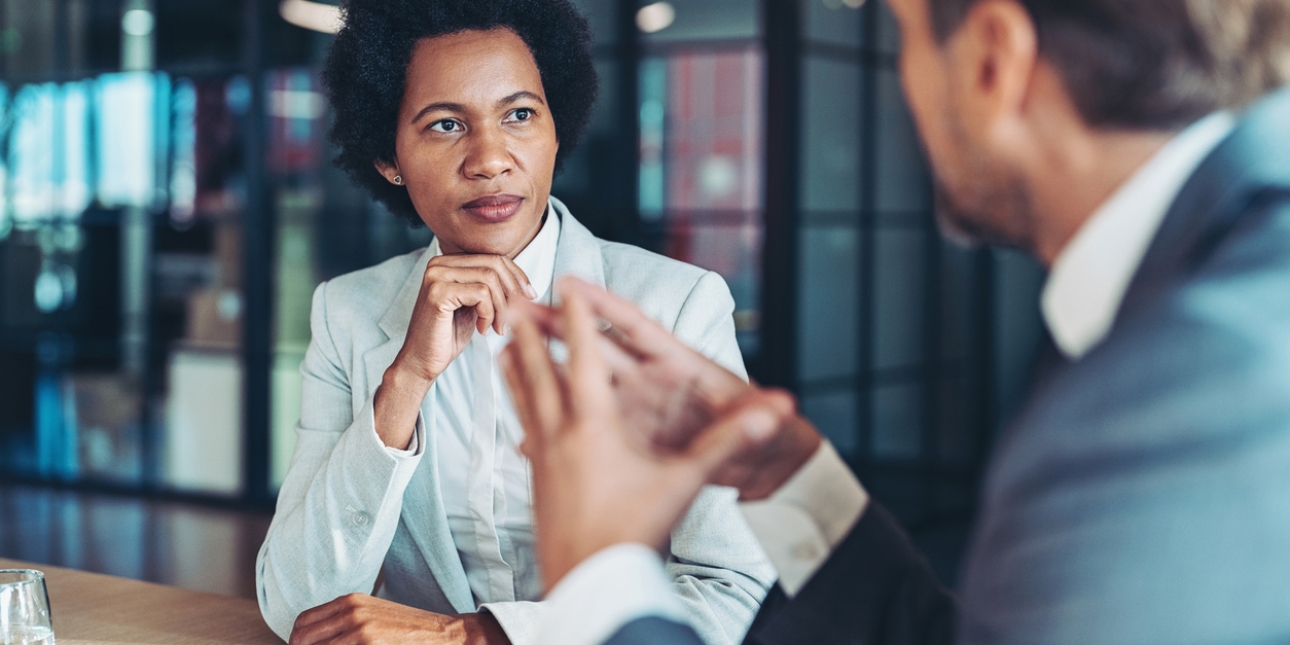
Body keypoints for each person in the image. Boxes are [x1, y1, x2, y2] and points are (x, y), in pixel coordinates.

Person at [500, 0, 1290, 644]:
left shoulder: (1199, 377)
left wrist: (597, 569)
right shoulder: (1207, 287)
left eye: (905, 35)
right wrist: (786, 477)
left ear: (991, 61)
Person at [254, 1, 777, 644]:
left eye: (520, 115)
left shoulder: (676, 305)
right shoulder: (348, 314)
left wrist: (475, 636)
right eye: (446, 124)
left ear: (558, 129)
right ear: (387, 157)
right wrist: (406, 380)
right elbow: (296, 606)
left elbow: (734, 590)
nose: (491, 158)